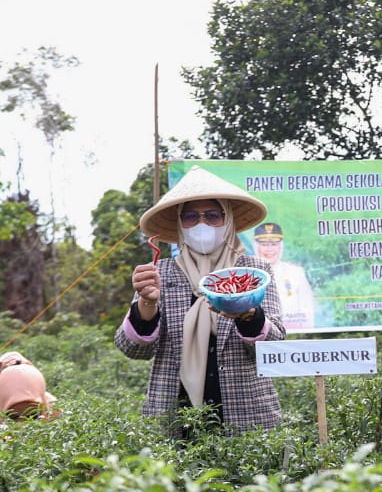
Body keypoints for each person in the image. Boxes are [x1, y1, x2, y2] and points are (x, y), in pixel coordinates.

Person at [114, 166, 285, 436]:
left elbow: (273, 348)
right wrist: (147, 304)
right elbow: (133, 350)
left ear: (227, 220)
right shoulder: (160, 273)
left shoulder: (253, 272)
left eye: (212, 216)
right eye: (191, 217)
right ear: (180, 224)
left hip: (247, 415)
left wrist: (248, 314)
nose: (201, 224)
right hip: (174, 418)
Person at [252, 222, 317, 331]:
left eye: (274, 244)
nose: (269, 249)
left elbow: (308, 312)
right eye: (264, 244)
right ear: (256, 246)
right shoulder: (248, 273)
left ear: (281, 246)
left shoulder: (296, 272)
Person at [0, 352, 57, 421]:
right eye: (13, 417)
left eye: (33, 416)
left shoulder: (53, 409)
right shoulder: (51, 404)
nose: (22, 425)